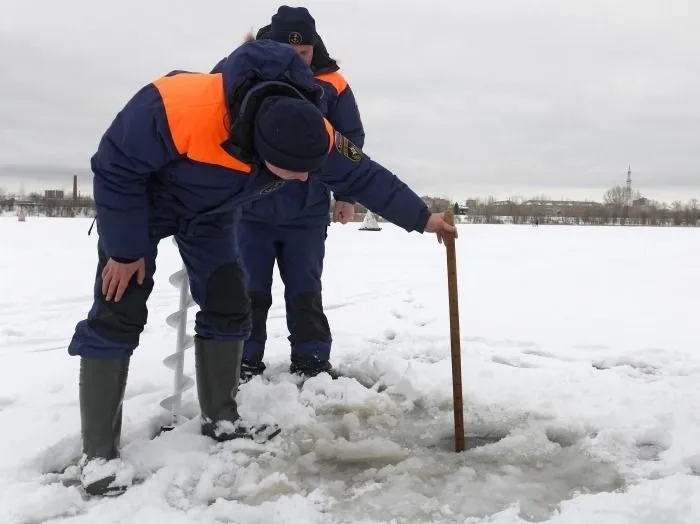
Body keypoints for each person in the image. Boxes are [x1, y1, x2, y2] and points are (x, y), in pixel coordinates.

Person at [67, 38, 455, 497]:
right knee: (119, 307)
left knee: (231, 304)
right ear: (260, 146)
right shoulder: (176, 105)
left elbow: (361, 173)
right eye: (294, 172)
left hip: (210, 216)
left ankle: (221, 418)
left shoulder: (311, 128)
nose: (306, 179)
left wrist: (420, 217)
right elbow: (114, 167)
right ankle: (98, 455)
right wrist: (125, 249)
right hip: (139, 207)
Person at [223, 6, 367, 382]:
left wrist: (347, 194)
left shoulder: (333, 84)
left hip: (307, 211)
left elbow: (350, 142)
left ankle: (312, 360)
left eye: (303, 52)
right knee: (249, 288)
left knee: (305, 288)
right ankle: (243, 359)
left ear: (313, 47)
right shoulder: (242, 70)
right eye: (289, 51)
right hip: (251, 210)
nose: (296, 59)